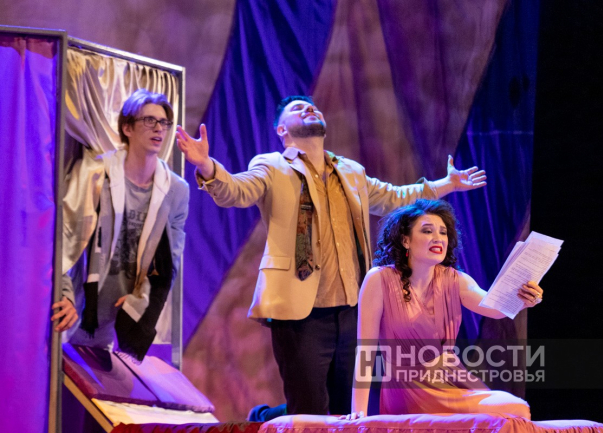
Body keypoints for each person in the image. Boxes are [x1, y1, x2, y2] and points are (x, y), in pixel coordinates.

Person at [175, 95, 486, 415]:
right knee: (310, 408)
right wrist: (205, 165)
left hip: (352, 309)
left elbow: (394, 197)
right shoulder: (271, 166)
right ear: (282, 130)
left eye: (312, 106)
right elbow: (235, 191)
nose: (309, 108)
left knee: (346, 409)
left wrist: (445, 184)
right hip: (300, 311)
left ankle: (270, 417)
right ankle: (268, 418)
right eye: (297, 108)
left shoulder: (351, 171)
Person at [346, 199, 542, 419]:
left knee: (516, 408)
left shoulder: (456, 280)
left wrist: (523, 298)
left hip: (452, 378)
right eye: (427, 231)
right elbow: (366, 350)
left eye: (443, 232)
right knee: (510, 410)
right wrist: (358, 412)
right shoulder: (379, 279)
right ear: (405, 240)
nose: (438, 238)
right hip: (407, 388)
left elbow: (495, 308)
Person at [51, 89, 189, 361]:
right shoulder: (95, 173)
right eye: (149, 120)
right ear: (127, 128)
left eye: (163, 122)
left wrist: (141, 303)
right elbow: (63, 238)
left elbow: (168, 263)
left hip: (109, 326)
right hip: (72, 311)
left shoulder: (176, 190)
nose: (158, 128)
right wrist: (63, 293)